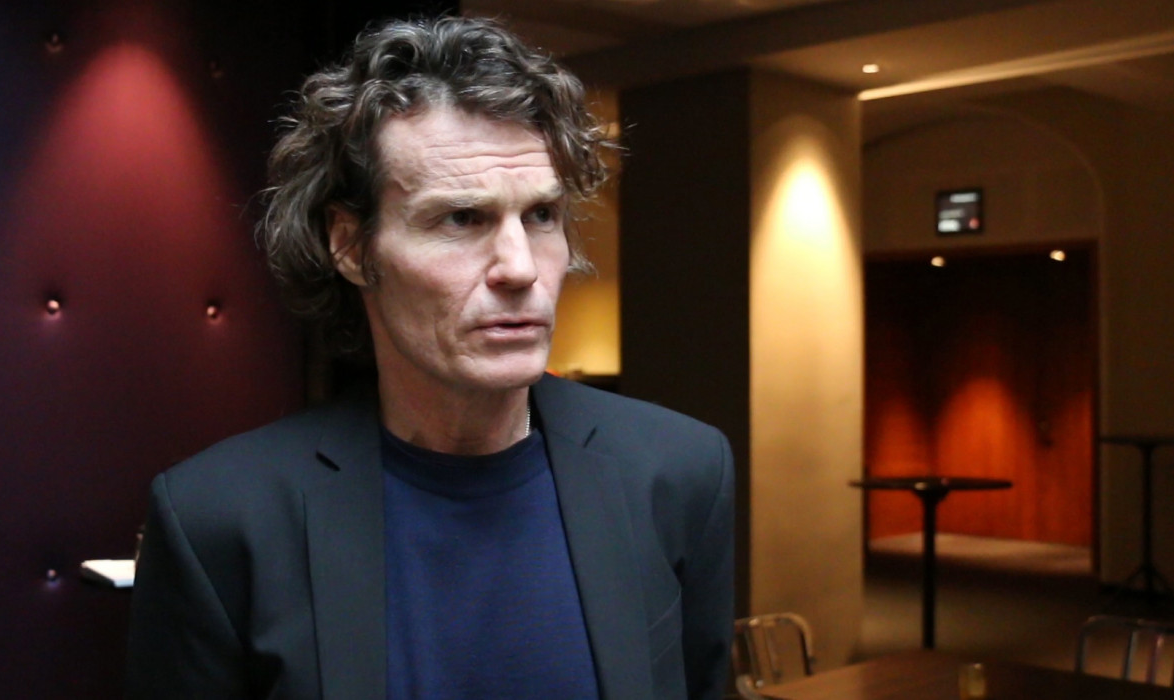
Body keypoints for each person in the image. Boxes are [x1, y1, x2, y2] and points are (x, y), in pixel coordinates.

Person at [127, 16, 734, 700]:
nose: (519, 268)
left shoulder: (677, 471)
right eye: (461, 219)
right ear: (350, 246)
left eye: (541, 216)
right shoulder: (219, 517)